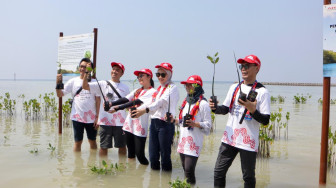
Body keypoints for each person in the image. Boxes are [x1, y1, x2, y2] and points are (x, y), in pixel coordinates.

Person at [210, 54, 270, 188]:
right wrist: (214, 108)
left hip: (248, 142)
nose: (243, 69)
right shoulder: (234, 87)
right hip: (229, 138)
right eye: (242, 66)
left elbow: (266, 120)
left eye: (247, 66)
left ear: (257, 68)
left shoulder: (262, 92)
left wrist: (252, 109)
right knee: (218, 172)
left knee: (248, 178)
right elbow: (225, 109)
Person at [133, 62, 179, 171]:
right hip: (154, 123)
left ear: (169, 75)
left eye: (163, 74)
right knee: (153, 155)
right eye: (158, 74)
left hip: (165, 125)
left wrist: (144, 110)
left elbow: (161, 102)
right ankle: (154, 182)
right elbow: (151, 102)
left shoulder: (172, 88)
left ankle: (165, 181)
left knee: (165, 156)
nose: (160, 77)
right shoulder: (159, 89)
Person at [168, 75, 212, 184]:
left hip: (194, 143)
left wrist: (195, 124)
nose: (187, 87)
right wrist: (173, 120)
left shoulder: (203, 104)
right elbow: (182, 122)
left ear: (197, 86)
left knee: (189, 170)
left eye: (190, 84)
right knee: (185, 170)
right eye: (186, 85)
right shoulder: (186, 102)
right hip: (183, 142)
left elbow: (208, 126)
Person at [107, 68, 156, 165]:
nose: (139, 78)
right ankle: (131, 174)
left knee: (140, 155)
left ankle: (145, 174)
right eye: (138, 76)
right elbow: (126, 99)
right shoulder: (137, 90)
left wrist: (118, 108)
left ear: (149, 77)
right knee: (130, 153)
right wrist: (112, 103)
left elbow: (136, 102)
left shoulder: (153, 92)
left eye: (141, 76)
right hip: (129, 124)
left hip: (140, 126)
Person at [82, 62, 130, 157]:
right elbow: (85, 86)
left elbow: (127, 104)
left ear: (122, 73)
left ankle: (122, 167)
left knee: (122, 147)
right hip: (105, 122)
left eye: (117, 70)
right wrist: (87, 72)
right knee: (103, 147)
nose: (114, 71)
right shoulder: (103, 84)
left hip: (120, 123)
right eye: (113, 69)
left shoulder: (126, 87)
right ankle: (103, 168)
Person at [56, 58, 100, 152]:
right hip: (77, 117)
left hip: (91, 118)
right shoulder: (73, 81)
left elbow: (98, 100)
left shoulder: (95, 82)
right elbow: (60, 94)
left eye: (85, 67)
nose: (82, 68)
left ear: (91, 69)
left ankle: (92, 162)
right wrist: (58, 83)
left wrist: (97, 117)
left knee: (92, 141)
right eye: (81, 66)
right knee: (77, 142)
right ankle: (77, 165)